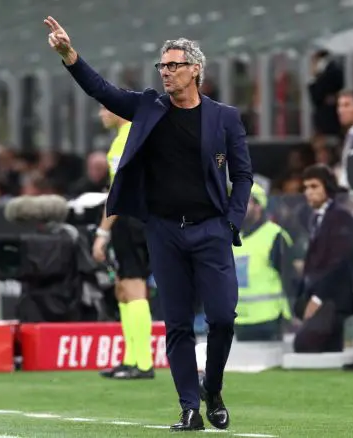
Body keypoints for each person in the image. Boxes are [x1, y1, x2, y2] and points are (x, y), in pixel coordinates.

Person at [44, 16, 252, 431]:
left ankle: (212, 388)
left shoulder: (224, 117)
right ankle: (189, 407)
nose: (166, 73)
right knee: (175, 324)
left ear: (195, 69)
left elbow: (243, 174)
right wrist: (70, 56)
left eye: (174, 66)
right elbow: (101, 90)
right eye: (162, 67)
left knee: (223, 318)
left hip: (211, 229)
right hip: (162, 230)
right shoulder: (147, 106)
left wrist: (231, 220)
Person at [92, 105, 154, 380]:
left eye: (105, 107)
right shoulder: (131, 135)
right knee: (123, 289)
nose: (101, 114)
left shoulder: (129, 137)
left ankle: (143, 363)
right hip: (132, 219)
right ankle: (131, 359)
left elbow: (119, 190)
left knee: (134, 285)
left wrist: (102, 232)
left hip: (131, 220)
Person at [293, 165, 353, 353]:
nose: (308, 192)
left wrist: (317, 298)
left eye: (314, 187)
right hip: (319, 295)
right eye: (306, 188)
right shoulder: (315, 218)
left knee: (306, 345)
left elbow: (338, 263)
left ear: (327, 188)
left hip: (334, 298)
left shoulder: (342, 218)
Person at [233, 184, 293, 342]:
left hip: (269, 319)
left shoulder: (275, 235)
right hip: (239, 320)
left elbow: (290, 280)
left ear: (258, 206)